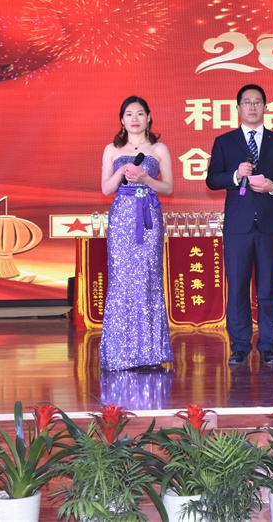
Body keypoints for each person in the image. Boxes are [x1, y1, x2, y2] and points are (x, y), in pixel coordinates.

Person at [206, 84, 273, 367]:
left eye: (257, 102)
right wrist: (235, 176)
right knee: (237, 287)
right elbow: (212, 180)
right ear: (238, 108)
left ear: (265, 107)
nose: (252, 107)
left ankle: (268, 345)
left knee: (268, 288)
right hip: (238, 226)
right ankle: (239, 346)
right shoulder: (225, 141)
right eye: (247, 102)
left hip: (269, 224)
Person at [99, 95, 175, 371]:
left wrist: (146, 179)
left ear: (149, 117)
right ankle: (120, 354)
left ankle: (150, 353)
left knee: (148, 278)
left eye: (140, 113)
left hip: (148, 218)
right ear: (122, 119)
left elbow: (168, 187)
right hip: (121, 218)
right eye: (129, 114)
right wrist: (122, 172)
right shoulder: (112, 149)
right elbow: (106, 189)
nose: (134, 118)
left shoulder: (159, 149)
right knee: (122, 280)